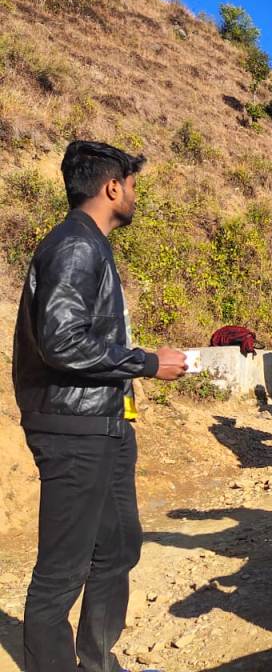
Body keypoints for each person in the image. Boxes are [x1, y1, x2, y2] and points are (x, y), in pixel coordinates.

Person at [12, 141, 188, 672]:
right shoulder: (74, 246)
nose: (134, 195)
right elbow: (62, 341)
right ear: (113, 187)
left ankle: (98, 663)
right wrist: (144, 362)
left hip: (104, 422)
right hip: (73, 427)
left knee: (118, 547)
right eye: (132, 185)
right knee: (62, 568)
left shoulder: (90, 245)